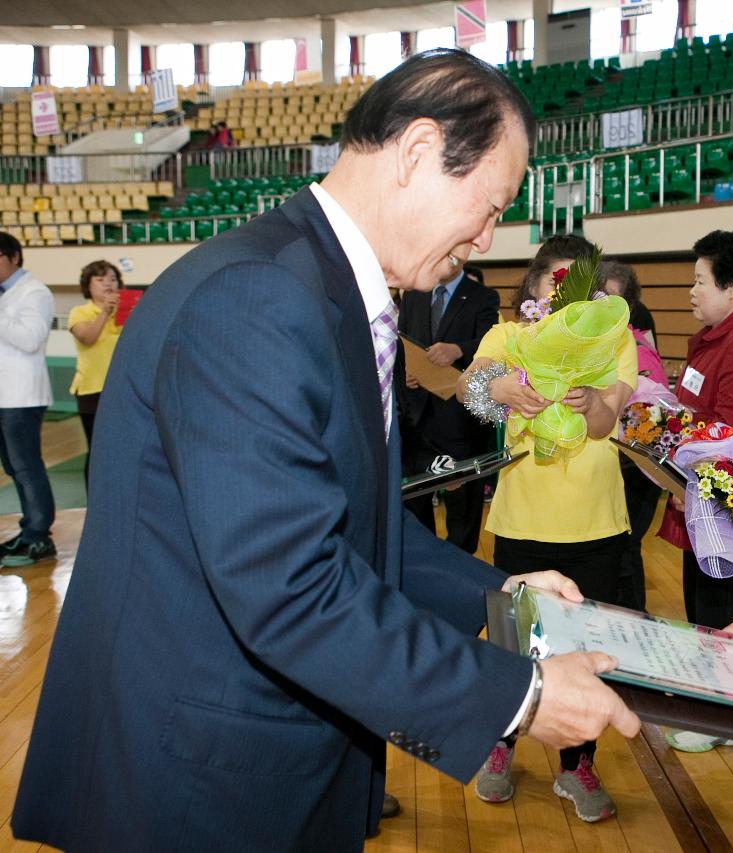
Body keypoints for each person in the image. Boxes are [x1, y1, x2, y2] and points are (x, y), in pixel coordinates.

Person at [12, 50, 639, 853]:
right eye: (489, 207)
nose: (486, 239)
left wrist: (500, 594)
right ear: (416, 153)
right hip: (197, 781)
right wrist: (516, 698)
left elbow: (350, 524)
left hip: (255, 761)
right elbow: (290, 582)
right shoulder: (259, 297)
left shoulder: (322, 286)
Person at [459, 234, 638, 822]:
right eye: (554, 283)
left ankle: (576, 765)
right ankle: (499, 744)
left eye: (578, 285)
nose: (564, 296)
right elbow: (468, 388)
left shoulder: (612, 340)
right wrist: (499, 387)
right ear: (532, 286)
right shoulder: (508, 337)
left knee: (587, 649)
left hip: (594, 522)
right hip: (523, 520)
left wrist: (591, 404)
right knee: (514, 642)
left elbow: (606, 422)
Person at [655, 229, 733, 752]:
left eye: (701, 280)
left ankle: (725, 717)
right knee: (702, 607)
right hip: (695, 496)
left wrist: (692, 478)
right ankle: (711, 707)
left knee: (721, 610)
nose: (691, 291)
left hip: (719, 508)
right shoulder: (714, 338)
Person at [397, 262, 500, 553]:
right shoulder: (414, 295)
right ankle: (425, 564)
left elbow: (490, 343)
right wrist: (403, 371)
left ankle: (461, 564)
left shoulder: (483, 296)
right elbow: (400, 340)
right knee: (416, 502)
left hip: (459, 419)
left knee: (462, 507)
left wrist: (458, 349)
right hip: (416, 419)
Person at [600, 258, 664, 611]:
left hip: (633, 472)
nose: (603, 307)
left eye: (613, 299)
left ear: (630, 307)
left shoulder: (639, 353)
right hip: (612, 470)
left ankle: (635, 625)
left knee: (625, 555)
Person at [0, 231, 56, 569]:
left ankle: (39, 535)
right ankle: (28, 530)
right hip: (5, 396)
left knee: (26, 467)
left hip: (22, 396)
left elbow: (30, 339)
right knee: (13, 468)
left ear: (14, 257)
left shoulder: (35, 292)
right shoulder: (6, 296)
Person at [68, 260, 124, 487]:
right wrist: (104, 312)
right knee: (97, 449)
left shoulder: (128, 311)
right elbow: (87, 338)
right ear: (88, 285)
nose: (108, 284)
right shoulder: (79, 312)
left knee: (123, 447)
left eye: (112, 279)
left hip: (122, 390)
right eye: (100, 280)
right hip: (92, 390)